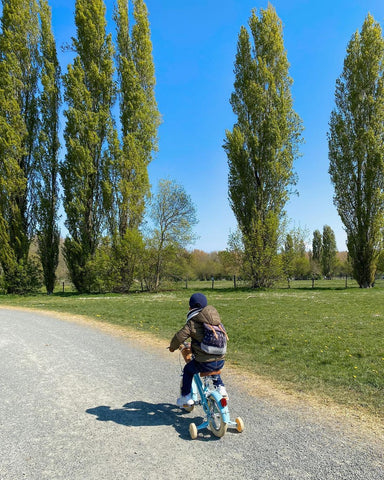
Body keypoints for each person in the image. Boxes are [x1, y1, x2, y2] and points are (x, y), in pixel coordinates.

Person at [168, 292, 228, 407]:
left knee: (188, 370)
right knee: (213, 364)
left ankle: (186, 397)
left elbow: (179, 337)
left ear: (191, 307)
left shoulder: (193, 322)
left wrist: (172, 347)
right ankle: (221, 388)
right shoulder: (215, 320)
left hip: (203, 362)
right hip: (220, 359)